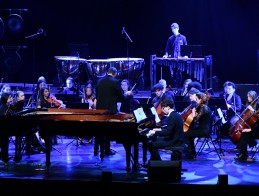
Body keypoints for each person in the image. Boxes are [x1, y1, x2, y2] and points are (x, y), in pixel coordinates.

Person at [94, 67, 132, 156]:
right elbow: (121, 97)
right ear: (115, 74)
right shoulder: (115, 82)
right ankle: (106, 150)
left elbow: (98, 95)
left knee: (99, 130)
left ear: (107, 72)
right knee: (107, 131)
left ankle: (96, 149)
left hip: (99, 110)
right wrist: (126, 95)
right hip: (110, 111)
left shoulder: (99, 81)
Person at [183, 91, 211, 159]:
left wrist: (193, 113)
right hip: (201, 128)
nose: (196, 101)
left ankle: (189, 153)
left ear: (201, 100)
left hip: (203, 130)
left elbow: (195, 120)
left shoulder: (204, 108)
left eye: (197, 99)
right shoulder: (203, 107)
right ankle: (192, 152)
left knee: (186, 134)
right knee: (189, 134)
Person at [0, 92, 13, 164]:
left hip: (2, 128)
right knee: (4, 141)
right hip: (3, 129)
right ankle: (5, 158)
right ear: (6, 99)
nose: (11, 99)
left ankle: (4, 157)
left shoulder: (2, 106)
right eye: (10, 98)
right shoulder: (4, 107)